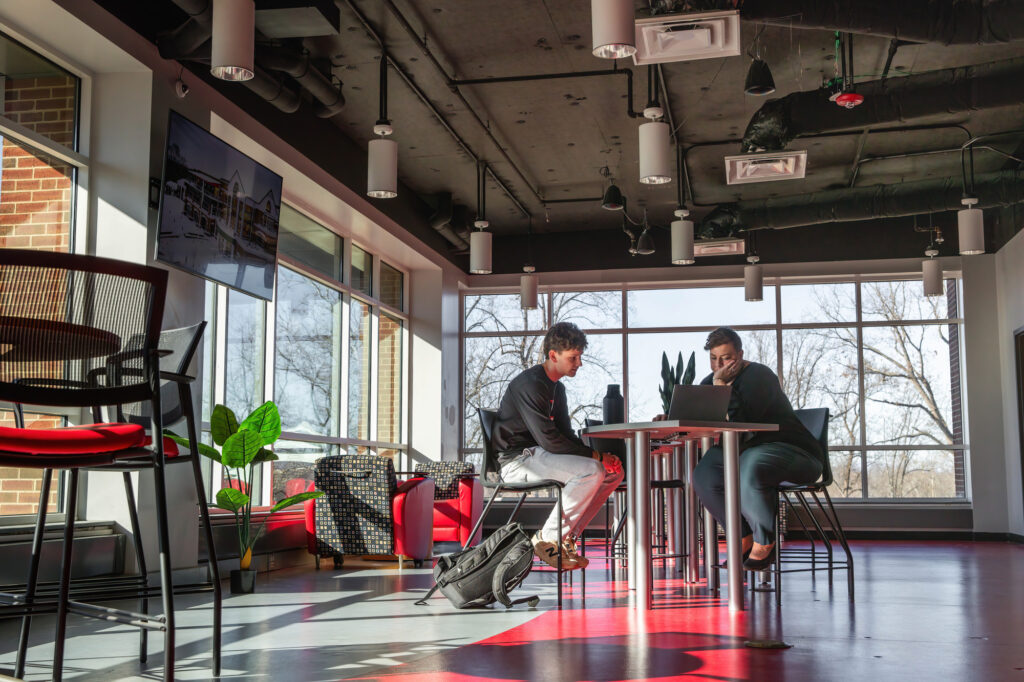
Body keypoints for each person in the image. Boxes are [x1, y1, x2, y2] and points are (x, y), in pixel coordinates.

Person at [491, 321, 624, 570]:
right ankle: (547, 539)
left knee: (612, 473)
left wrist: (601, 457)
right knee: (593, 470)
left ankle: (565, 539)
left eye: (579, 357)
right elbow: (549, 440)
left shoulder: (557, 388)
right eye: (573, 358)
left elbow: (565, 435)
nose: (579, 364)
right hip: (517, 461)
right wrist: (595, 456)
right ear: (553, 355)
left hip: (539, 456)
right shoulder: (529, 384)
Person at [689, 327, 824, 570]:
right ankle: (742, 536)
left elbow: (744, 424)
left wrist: (721, 387)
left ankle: (765, 542)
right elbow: (702, 419)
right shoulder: (709, 382)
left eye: (726, 357)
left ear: (739, 355)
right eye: (713, 358)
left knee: (752, 463)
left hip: (792, 450)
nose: (718, 364)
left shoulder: (760, 375)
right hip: (742, 452)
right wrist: (673, 415)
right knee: (704, 474)